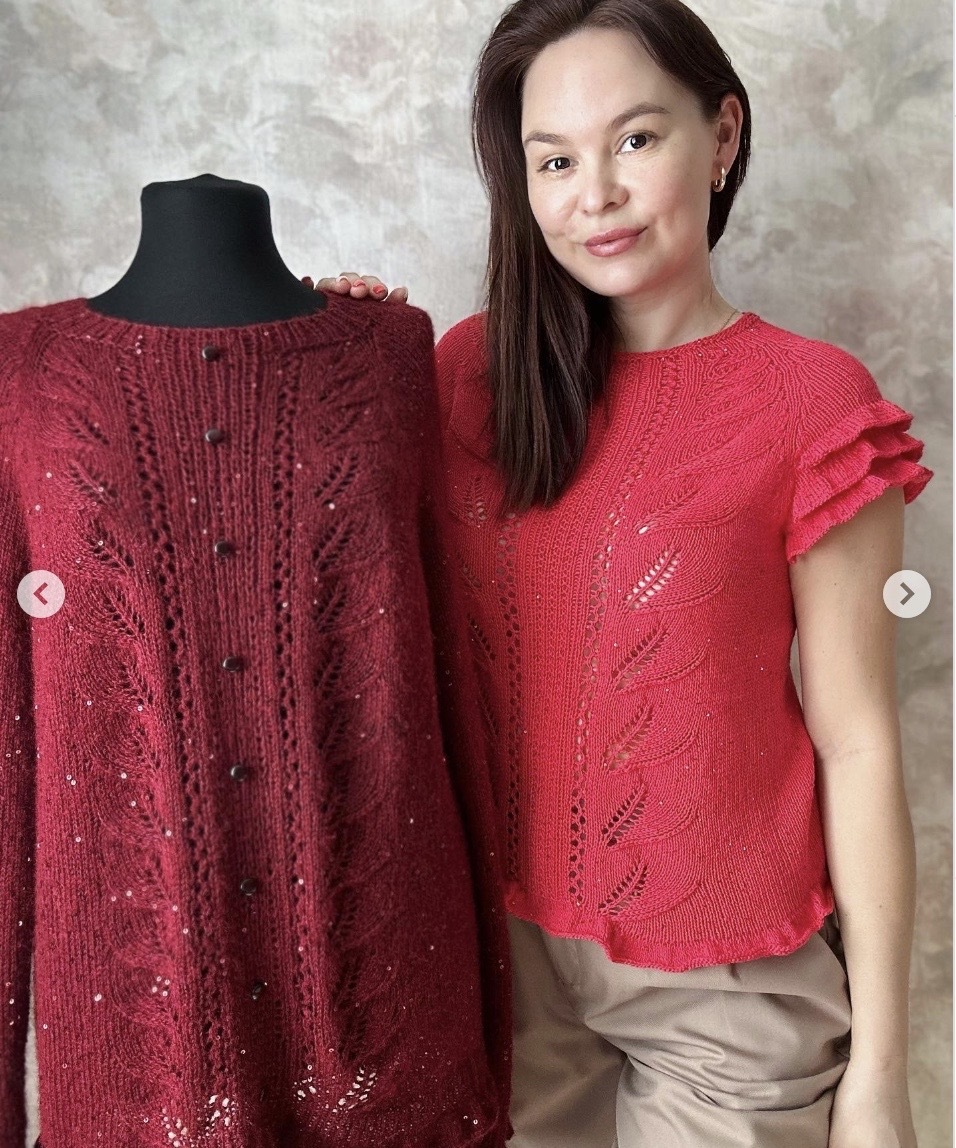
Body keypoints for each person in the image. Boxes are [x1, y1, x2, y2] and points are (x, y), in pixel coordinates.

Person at [305, 2, 933, 1144]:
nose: (593, 194)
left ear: (722, 136)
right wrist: (335, 360)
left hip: (725, 994)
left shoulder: (815, 404)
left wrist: (881, 1074)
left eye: (635, 140)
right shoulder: (465, 375)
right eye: (554, 160)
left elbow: (856, 741)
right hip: (500, 974)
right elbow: (326, 579)